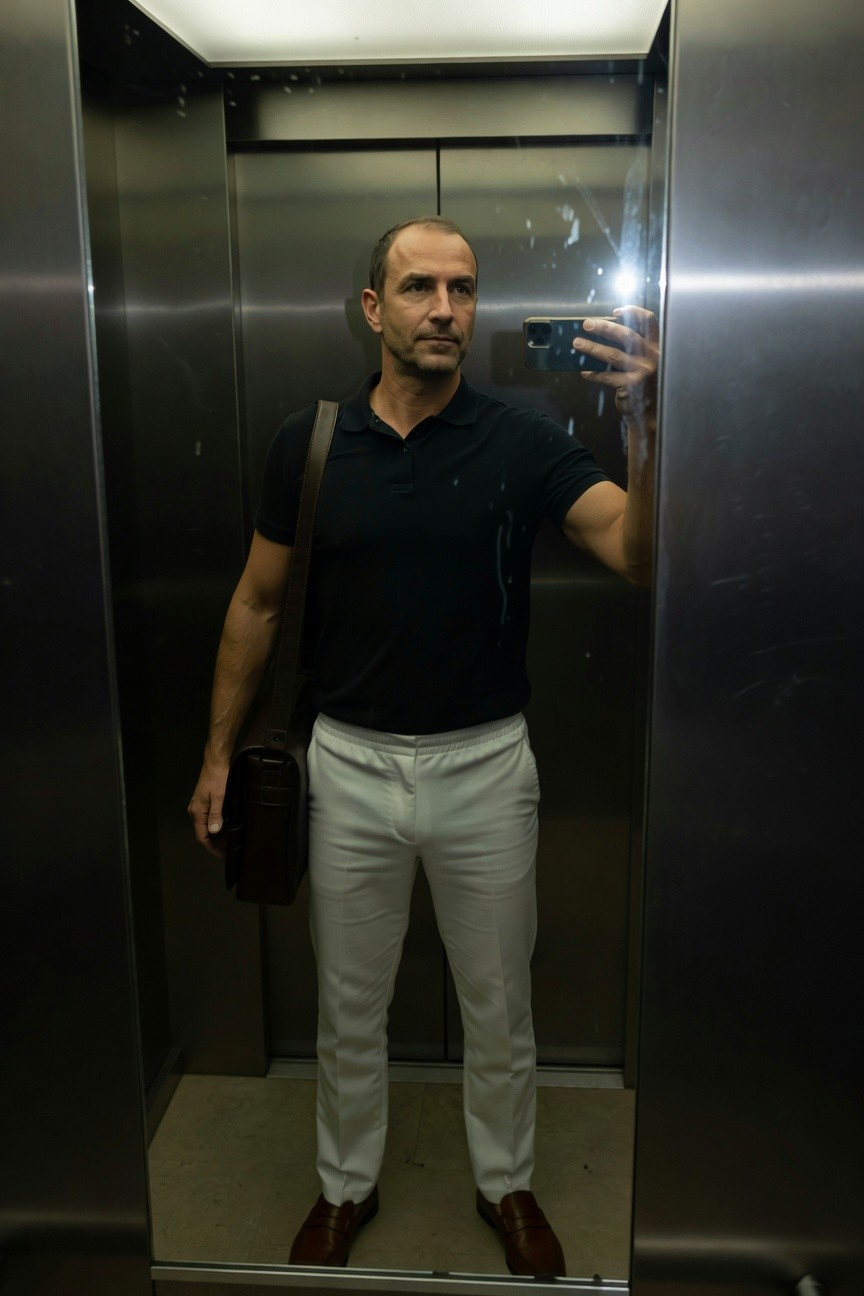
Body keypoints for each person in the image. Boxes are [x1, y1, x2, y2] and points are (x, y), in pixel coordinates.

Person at [188, 215, 658, 1277]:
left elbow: (635, 553)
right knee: (348, 1004)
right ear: (374, 308)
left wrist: (649, 421)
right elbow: (257, 604)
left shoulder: (524, 441)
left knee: (499, 1003)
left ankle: (507, 1183)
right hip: (346, 766)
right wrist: (217, 756)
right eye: (418, 288)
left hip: (485, 765)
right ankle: (344, 1186)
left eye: (463, 288)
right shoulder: (309, 443)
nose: (444, 309)